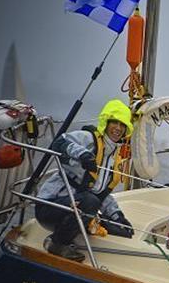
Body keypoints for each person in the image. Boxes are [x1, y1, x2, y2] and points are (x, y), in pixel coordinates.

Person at [35, 100, 134, 261]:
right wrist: (82, 154)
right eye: (114, 122)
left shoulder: (112, 156)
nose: (118, 128)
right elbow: (59, 142)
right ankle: (57, 243)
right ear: (106, 122)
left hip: (74, 204)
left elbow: (100, 193)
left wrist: (117, 216)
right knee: (90, 202)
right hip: (50, 206)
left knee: (117, 227)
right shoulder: (88, 138)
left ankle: (75, 237)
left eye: (122, 125)